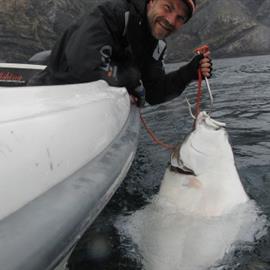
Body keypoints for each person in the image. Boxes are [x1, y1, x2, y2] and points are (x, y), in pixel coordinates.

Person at [28, 0, 212, 106]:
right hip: (48, 99)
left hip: (95, 110)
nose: (171, 20)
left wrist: (189, 72)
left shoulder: (156, 46)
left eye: (180, 18)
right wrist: (129, 81)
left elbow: (154, 93)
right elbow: (84, 62)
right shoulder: (113, 13)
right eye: (168, 7)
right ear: (152, 2)